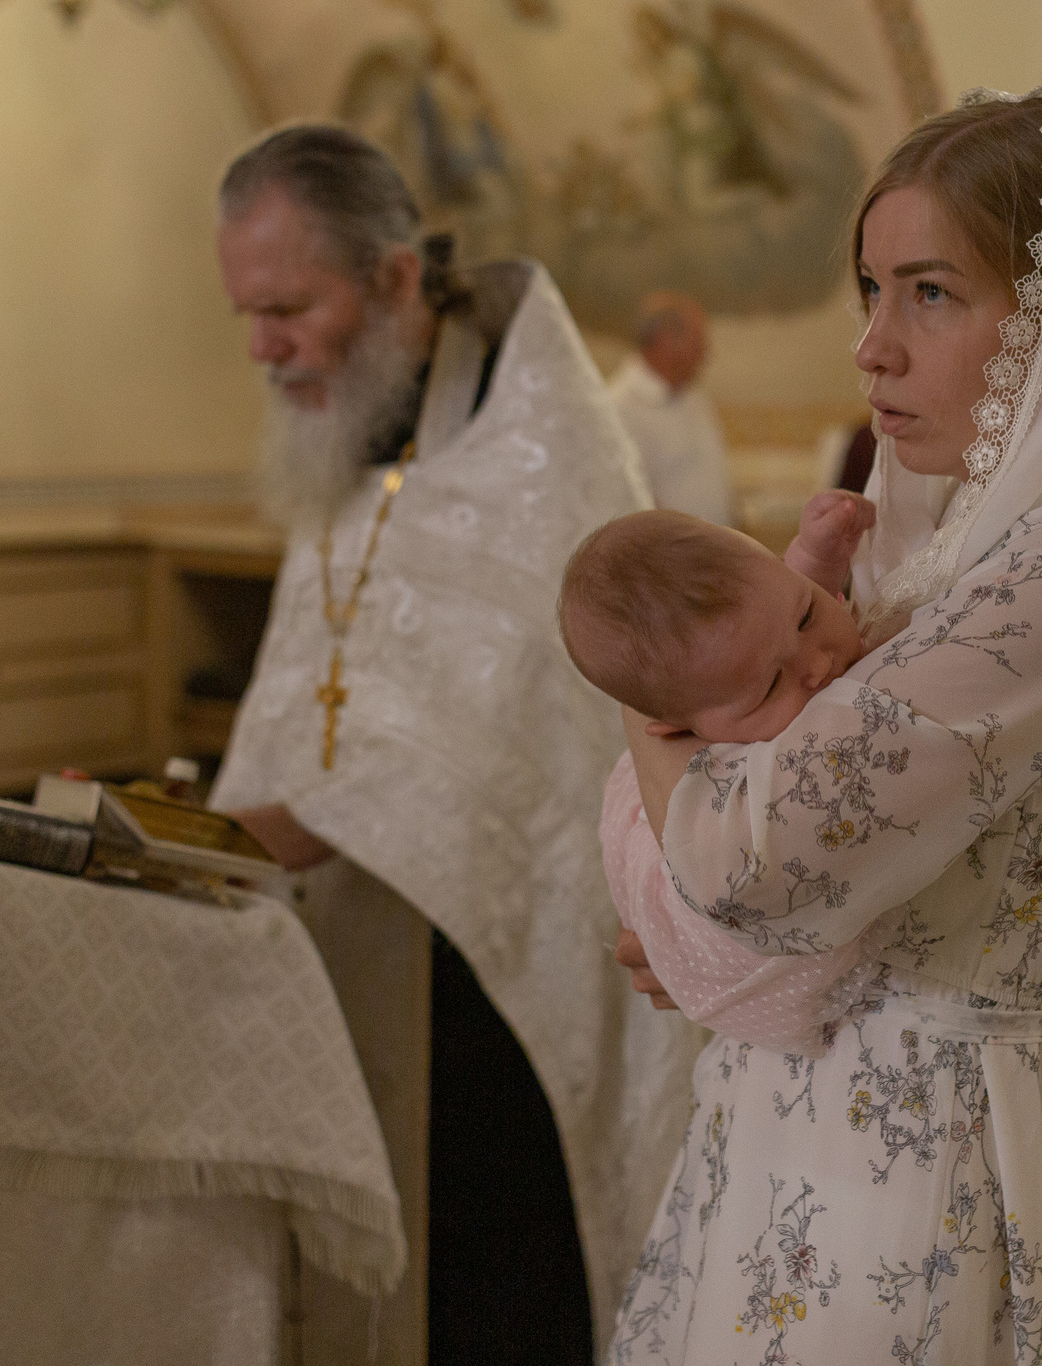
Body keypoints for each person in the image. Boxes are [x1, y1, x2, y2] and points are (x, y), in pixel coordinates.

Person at [606, 84, 1042, 1363]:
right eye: (869, 292)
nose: (872, 346)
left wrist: (646, 703)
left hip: (907, 1140)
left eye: (929, 293)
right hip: (781, 1097)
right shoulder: (928, 525)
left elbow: (753, 863)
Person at [205, 124, 700, 1364]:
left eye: (285, 309)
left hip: (495, 965)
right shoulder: (345, 431)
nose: (263, 348)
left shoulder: (542, 446)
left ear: (390, 281)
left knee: (492, 1265)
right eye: (245, 315)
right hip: (335, 937)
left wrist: (326, 815)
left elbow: (532, 708)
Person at [564, 498, 889, 1058]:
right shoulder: (727, 776)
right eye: (768, 689)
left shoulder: (754, 641)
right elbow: (749, 880)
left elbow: (767, 617)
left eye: (808, 614)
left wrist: (816, 555)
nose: (816, 666)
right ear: (669, 729)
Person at [608, 291, 736, 524]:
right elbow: (631, 505)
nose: (706, 355)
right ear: (666, 341)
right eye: (698, 342)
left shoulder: (695, 400)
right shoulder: (619, 407)